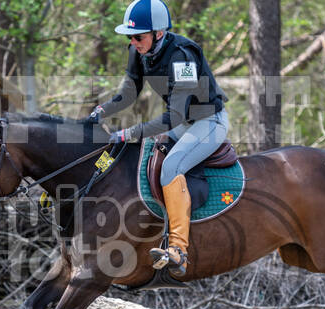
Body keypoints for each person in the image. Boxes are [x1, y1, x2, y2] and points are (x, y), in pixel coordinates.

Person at [88, 0, 229, 276]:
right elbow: (127, 95)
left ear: (159, 33)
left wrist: (129, 132)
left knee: (171, 167)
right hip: (183, 122)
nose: (133, 41)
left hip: (207, 122)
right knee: (130, 152)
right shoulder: (138, 51)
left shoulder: (182, 57)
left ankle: (178, 250)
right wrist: (101, 110)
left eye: (138, 36)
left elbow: (174, 117)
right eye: (130, 36)